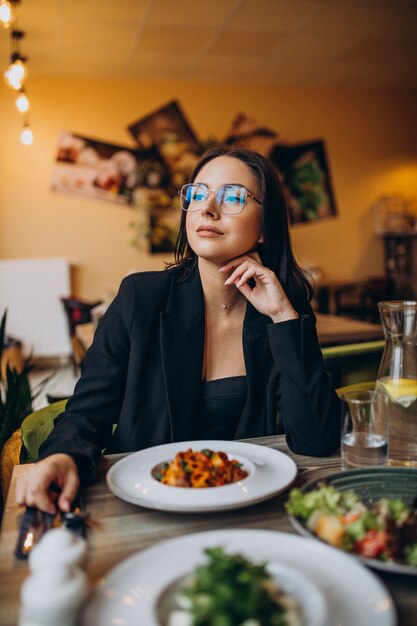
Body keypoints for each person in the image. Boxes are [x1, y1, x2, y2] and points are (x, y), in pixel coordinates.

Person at [16, 145, 341, 514]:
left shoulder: (286, 308)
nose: (208, 207)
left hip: (247, 506)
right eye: (198, 193)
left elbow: (317, 438)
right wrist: (63, 457)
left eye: (233, 196)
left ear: (265, 228)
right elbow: (87, 414)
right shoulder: (142, 297)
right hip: (143, 504)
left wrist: (283, 316)